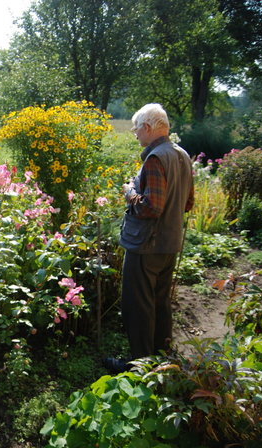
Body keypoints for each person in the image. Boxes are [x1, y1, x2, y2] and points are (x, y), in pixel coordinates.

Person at [105, 103, 194, 374]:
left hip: (146, 246)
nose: (134, 135)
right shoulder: (182, 155)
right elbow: (188, 203)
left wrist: (130, 192)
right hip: (169, 244)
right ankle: (162, 359)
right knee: (160, 303)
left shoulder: (155, 158)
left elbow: (150, 207)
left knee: (138, 307)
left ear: (147, 128)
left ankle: (140, 366)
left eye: (136, 129)